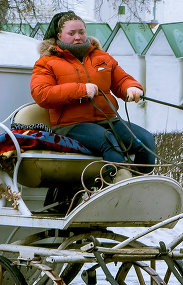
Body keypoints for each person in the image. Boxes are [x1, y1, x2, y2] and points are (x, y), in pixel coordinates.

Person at [30, 11, 157, 177]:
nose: (78, 37)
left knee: (146, 140)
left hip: (109, 120)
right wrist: (81, 90)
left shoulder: (101, 56)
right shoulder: (46, 62)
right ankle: (113, 187)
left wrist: (131, 88)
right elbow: (42, 94)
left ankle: (141, 183)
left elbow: (121, 80)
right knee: (109, 143)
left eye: (81, 32)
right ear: (59, 35)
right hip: (71, 125)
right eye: (71, 33)